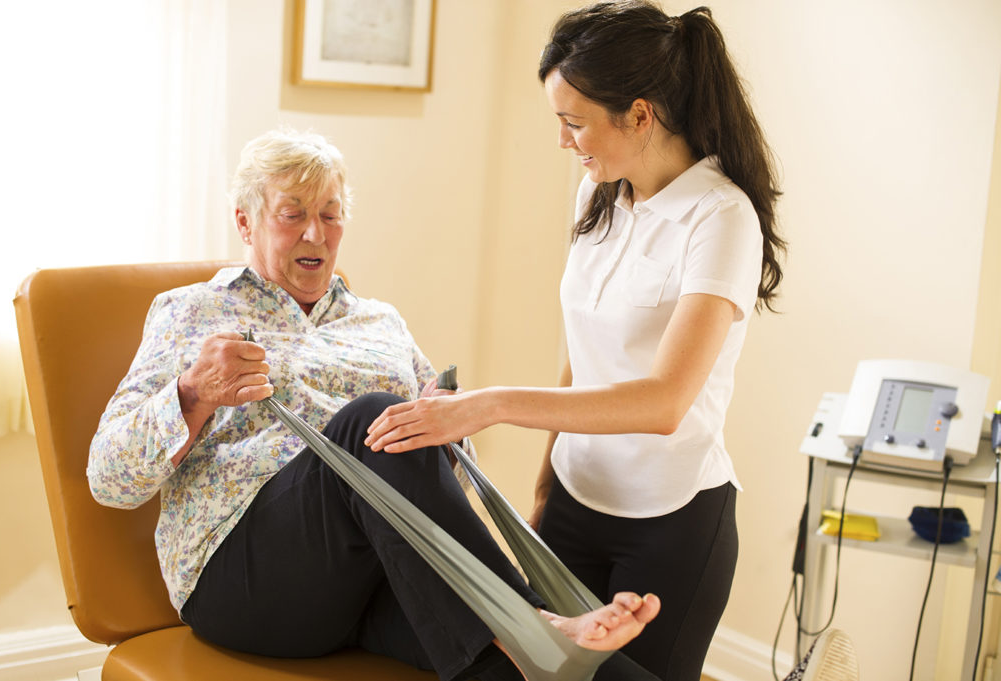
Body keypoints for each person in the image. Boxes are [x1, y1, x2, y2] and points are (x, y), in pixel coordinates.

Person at [86, 128, 666, 681]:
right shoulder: (191, 311)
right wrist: (192, 394)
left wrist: (449, 431)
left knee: (521, 663)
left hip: (365, 581)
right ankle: (531, 617)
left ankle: (544, 639)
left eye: (330, 214)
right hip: (243, 582)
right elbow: (109, 480)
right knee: (376, 419)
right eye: (292, 214)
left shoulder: (380, 322)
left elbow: (439, 487)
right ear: (246, 221)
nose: (315, 234)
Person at [364, 3, 787, 680]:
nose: (564, 140)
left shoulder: (720, 217)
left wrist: (489, 405)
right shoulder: (599, 196)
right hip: (573, 501)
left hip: (671, 522)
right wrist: (545, 489)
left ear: (640, 116)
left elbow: (664, 402)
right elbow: (580, 355)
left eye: (575, 121)